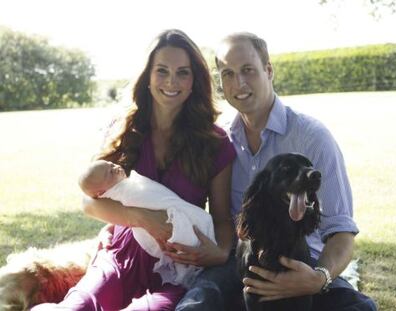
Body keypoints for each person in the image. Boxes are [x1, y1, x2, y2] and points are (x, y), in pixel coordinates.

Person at [31, 29, 236, 311]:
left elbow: (223, 219)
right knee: (78, 307)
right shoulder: (124, 128)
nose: (171, 81)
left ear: (194, 81)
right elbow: (89, 202)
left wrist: (220, 252)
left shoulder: (215, 142)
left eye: (183, 72)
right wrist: (140, 217)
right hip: (121, 256)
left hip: (176, 269)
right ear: (148, 77)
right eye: (162, 71)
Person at [214, 32, 377, 310]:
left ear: (269, 70)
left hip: (304, 264)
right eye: (227, 73)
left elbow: (341, 231)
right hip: (241, 265)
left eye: (248, 70)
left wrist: (319, 277)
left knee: (360, 308)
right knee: (196, 302)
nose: (238, 82)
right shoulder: (221, 142)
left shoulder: (311, 137)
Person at [78, 159, 217, 287]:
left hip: (169, 255)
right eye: (109, 172)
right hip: (120, 253)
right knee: (85, 297)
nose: (115, 167)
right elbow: (87, 201)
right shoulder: (126, 139)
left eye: (112, 165)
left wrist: (220, 254)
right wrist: (137, 217)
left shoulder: (212, 144)